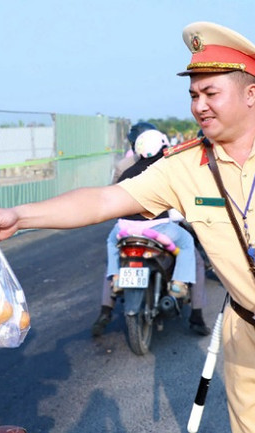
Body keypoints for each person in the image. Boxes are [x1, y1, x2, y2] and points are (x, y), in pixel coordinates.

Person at [0, 21, 255, 433]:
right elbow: (104, 200)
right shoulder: (183, 166)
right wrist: (21, 216)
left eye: (210, 93)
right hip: (248, 336)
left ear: (250, 94)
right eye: (193, 95)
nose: (199, 106)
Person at [92, 129, 211, 337]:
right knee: (187, 245)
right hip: (158, 229)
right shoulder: (165, 170)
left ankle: (116, 278)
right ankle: (180, 286)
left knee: (111, 244)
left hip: (124, 229)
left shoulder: (126, 171)